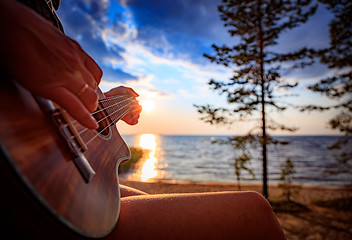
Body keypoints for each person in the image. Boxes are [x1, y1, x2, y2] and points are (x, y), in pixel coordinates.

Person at [0, 0, 286, 239]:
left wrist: (103, 104)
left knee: (139, 196)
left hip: (56, 173)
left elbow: (49, 109)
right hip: (23, 188)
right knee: (255, 214)